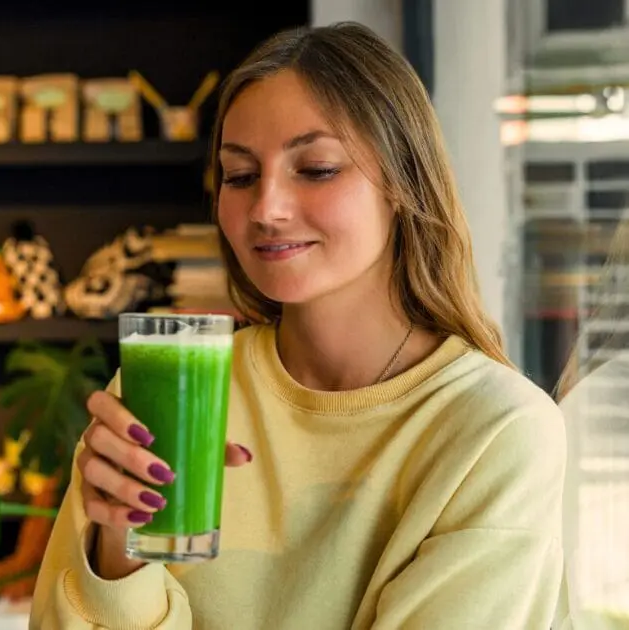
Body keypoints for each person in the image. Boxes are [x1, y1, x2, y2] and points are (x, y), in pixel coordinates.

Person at [29, 21, 567, 630]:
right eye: (239, 176)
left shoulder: (497, 432)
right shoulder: (168, 388)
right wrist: (118, 554)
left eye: (316, 168)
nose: (266, 209)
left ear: (402, 181)